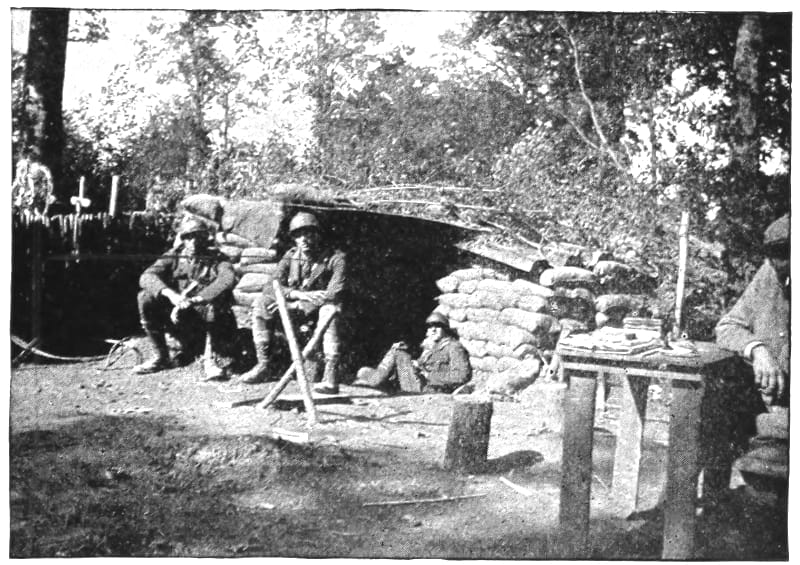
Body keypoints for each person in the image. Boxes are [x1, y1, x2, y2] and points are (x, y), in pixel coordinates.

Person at [706, 213, 790, 498]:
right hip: (763, 408)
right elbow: (728, 326)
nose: (783, 265)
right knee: (705, 416)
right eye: (777, 255)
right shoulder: (771, 275)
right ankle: (701, 510)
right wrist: (758, 350)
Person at [240, 211, 347, 395]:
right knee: (261, 303)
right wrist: (297, 295)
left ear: (318, 234)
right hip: (297, 310)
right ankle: (264, 364)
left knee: (329, 310)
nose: (304, 239)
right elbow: (270, 286)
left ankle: (330, 376)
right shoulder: (291, 257)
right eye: (298, 235)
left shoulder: (335, 258)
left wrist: (298, 304)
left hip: (320, 313)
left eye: (308, 233)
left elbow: (334, 293)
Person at [134, 217, 237, 380]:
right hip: (179, 313)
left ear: (206, 238)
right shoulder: (174, 256)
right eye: (189, 237)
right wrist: (171, 295)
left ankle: (211, 360)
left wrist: (197, 299)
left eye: (198, 236)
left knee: (215, 303)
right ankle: (161, 356)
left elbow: (227, 279)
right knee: (145, 297)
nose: (194, 241)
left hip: (207, 314)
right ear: (183, 239)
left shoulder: (218, 258)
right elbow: (147, 276)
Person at [353, 311, 472, 394]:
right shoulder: (432, 347)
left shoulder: (454, 347)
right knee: (398, 350)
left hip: (425, 389)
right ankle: (374, 378)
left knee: (398, 353)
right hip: (415, 382)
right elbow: (423, 365)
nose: (433, 330)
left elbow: (461, 376)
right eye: (430, 327)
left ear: (445, 330)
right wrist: (416, 364)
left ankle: (375, 379)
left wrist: (428, 375)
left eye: (437, 326)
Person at [12, 147, 55, 217]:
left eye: (33, 154)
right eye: (29, 153)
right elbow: (17, 182)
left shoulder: (42, 169)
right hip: (23, 197)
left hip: (34, 199)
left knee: (33, 215)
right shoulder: (23, 165)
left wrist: (46, 207)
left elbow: (49, 185)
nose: (30, 156)